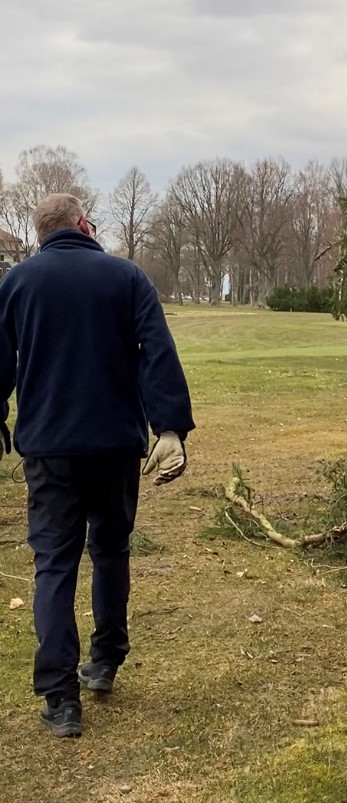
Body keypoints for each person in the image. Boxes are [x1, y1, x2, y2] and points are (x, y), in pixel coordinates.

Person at [0, 193, 195, 739]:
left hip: (48, 449)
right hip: (113, 446)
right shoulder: (126, 277)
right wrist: (170, 427)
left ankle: (60, 697)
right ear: (83, 225)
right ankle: (106, 660)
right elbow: (157, 351)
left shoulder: (17, 284)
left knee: (54, 564)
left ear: (39, 234)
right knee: (110, 550)